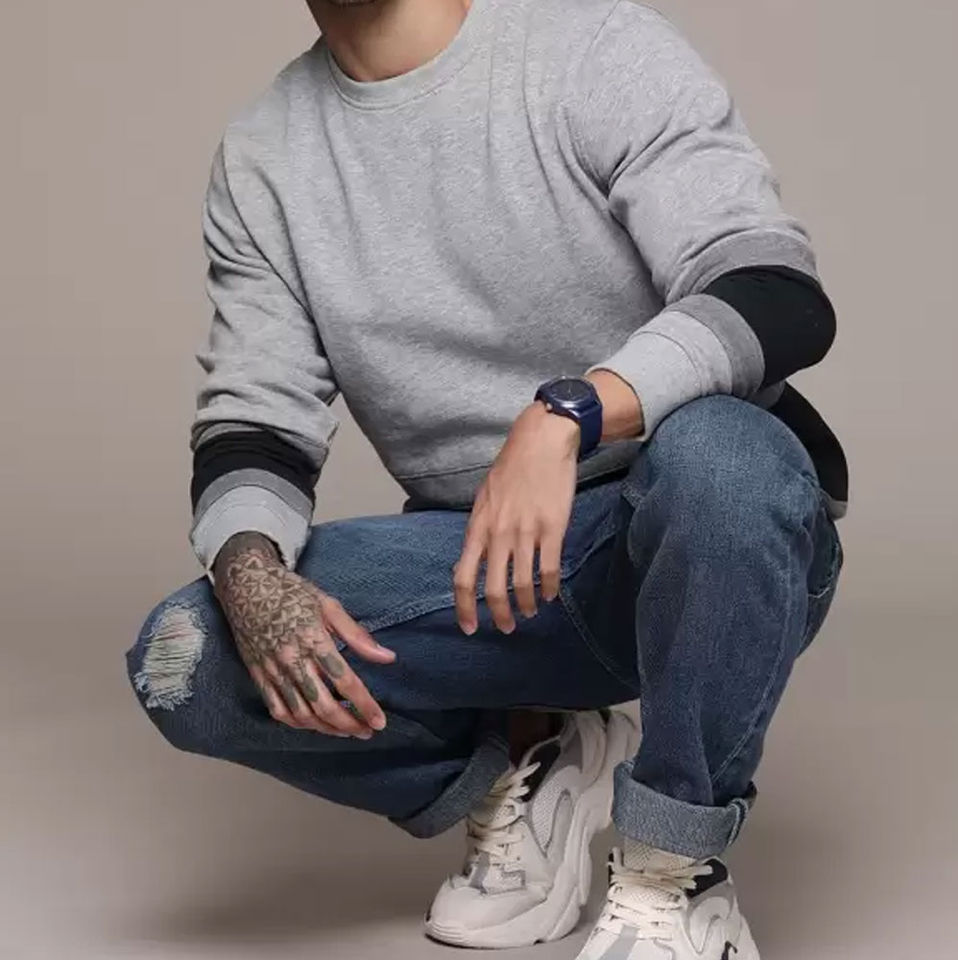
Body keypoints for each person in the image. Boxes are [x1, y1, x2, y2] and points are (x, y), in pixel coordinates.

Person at [126, 0, 848, 955]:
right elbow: (256, 420)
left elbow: (773, 290)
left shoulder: (594, 51)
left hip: (703, 535)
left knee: (725, 457)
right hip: (492, 576)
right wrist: (251, 576)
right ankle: (530, 769)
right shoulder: (265, 157)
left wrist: (571, 413)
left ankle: (673, 875)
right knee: (185, 659)